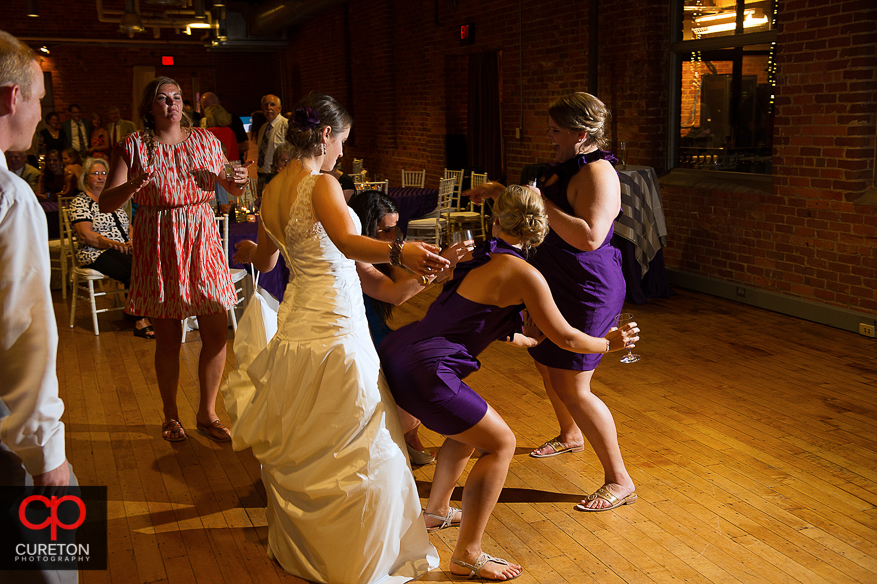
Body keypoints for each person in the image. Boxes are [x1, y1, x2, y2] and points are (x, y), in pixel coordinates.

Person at [223, 93, 447, 583]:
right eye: (342, 141)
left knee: (310, 434)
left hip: (299, 322)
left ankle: (308, 546)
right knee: (358, 434)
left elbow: (265, 261)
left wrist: (246, 246)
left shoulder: (271, 190)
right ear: (325, 135)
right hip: (336, 328)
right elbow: (347, 243)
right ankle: (357, 557)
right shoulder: (321, 183)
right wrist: (402, 248)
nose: (343, 152)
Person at [379, 185, 639, 580]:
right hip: (427, 369)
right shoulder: (525, 274)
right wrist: (609, 343)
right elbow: (567, 338)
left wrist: (519, 336)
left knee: (469, 431)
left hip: (401, 351)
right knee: (502, 443)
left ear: (496, 221)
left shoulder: (473, 252)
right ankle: (467, 554)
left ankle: (435, 511)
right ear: (541, 230)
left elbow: (464, 312)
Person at [469, 92, 634, 512]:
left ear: (581, 135)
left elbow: (590, 236)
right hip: (556, 280)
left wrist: (538, 200)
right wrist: (501, 192)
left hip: (587, 287)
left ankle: (620, 479)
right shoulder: (568, 166)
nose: (549, 136)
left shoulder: (599, 174)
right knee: (546, 362)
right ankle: (570, 435)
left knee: (573, 384)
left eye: (555, 130)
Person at [99, 76, 251, 443]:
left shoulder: (204, 140)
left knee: (216, 333)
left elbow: (231, 189)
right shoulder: (132, 146)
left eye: (177, 97)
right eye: (163, 99)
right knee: (168, 337)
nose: (172, 104)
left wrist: (239, 180)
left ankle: (207, 413)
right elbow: (105, 203)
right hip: (160, 240)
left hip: (201, 237)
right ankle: (171, 417)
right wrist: (133, 186)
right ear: (149, 108)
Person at [0, 28, 76, 584]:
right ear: (11, 99)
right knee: (53, 568)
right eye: (39, 101)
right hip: (9, 426)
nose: (40, 113)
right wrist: (51, 454)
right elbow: (26, 333)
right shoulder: (12, 197)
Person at [348, 190, 462, 466]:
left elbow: (405, 283)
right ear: (364, 227)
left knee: (425, 355)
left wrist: (436, 265)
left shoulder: (384, 252)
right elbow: (396, 295)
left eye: (394, 228)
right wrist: (436, 272)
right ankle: (409, 433)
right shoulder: (354, 256)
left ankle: (413, 433)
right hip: (360, 337)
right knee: (410, 367)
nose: (392, 237)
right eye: (384, 230)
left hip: (377, 332)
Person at [69, 157, 154, 338]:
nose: (100, 177)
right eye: (95, 173)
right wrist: (116, 245)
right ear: (85, 177)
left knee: (152, 263)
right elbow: (86, 235)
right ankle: (139, 320)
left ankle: (145, 310)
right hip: (95, 252)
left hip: (123, 249)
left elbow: (128, 227)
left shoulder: (113, 200)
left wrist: (131, 240)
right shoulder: (81, 202)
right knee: (134, 269)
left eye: (104, 173)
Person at [200, 92, 248, 161]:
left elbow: (244, 146)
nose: (209, 111)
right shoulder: (229, 131)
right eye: (205, 108)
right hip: (231, 166)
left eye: (212, 107)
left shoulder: (233, 120)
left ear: (219, 104)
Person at [254, 94, 288, 192]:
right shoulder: (263, 128)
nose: (269, 108)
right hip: (261, 177)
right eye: (266, 105)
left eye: (272, 104)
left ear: (279, 108)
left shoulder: (286, 126)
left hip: (277, 177)